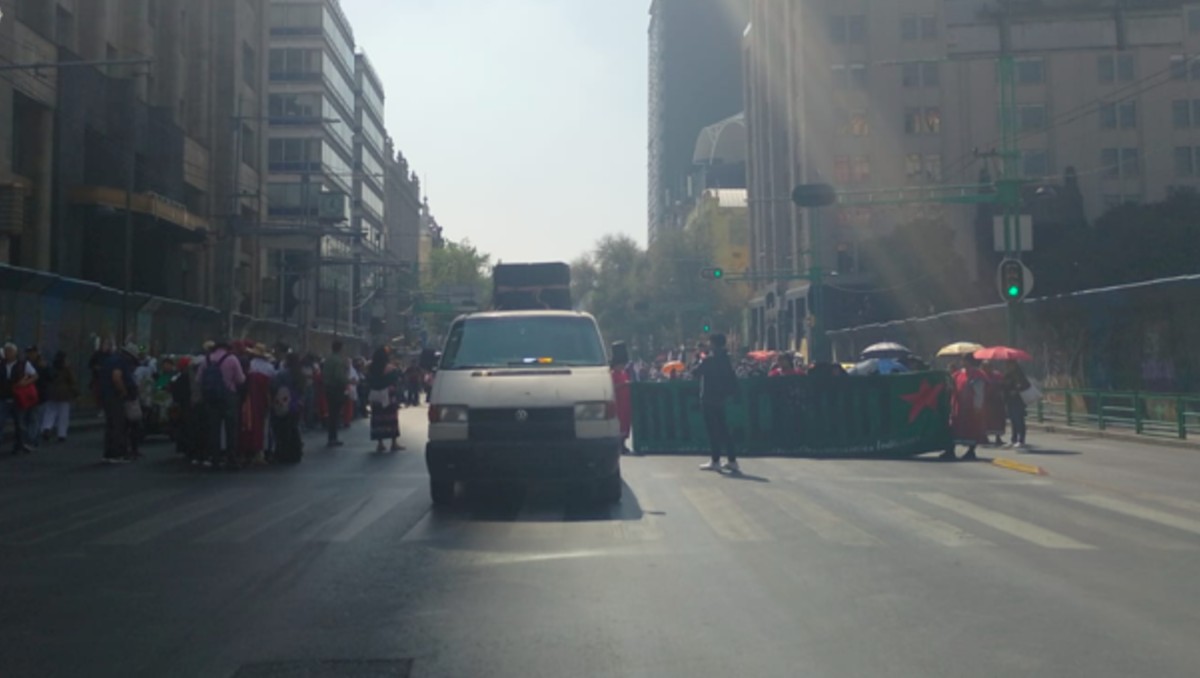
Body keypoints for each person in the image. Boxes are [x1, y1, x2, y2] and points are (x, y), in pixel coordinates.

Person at [693, 333, 740, 473]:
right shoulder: (726, 359)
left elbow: (695, 372)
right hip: (721, 397)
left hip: (708, 397)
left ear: (713, 343)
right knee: (724, 429)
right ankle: (732, 460)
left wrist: (700, 359)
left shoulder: (709, 359)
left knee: (712, 430)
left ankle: (715, 460)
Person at [201, 340, 246, 468]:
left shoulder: (207, 359)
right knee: (231, 428)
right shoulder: (232, 359)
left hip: (211, 397)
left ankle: (215, 457)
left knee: (214, 428)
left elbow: (199, 378)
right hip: (229, 396)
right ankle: (231, 457)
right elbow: (240, 379)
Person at [99, 342, 141, 463]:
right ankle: (117, 454)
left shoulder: (109, 360)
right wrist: (123, 391)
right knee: (119, 425)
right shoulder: (120, 362)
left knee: (111, 425)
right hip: (115, 396)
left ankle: (108, 453)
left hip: (106, 395)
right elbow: (116, 377)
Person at [943, 355, 988, 461]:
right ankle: (950, 450)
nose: (962, 362)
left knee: (972, 429)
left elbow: (979, 392)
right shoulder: (958, 374)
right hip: (958, 406)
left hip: (970, 408)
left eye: (964, 360)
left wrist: (978, 406)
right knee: (954, 427)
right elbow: (951, 386)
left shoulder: (977, 375)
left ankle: (971, 451)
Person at [0, 343, 37, 455]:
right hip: (3, 397)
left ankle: (20, 445)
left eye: (10, 351)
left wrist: (25, 383)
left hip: (18, 397)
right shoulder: (1, 364)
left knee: (19, 423)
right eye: (6, 351)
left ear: (15, 353)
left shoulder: (23, 364)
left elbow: (35, 376)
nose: (8, 354)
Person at [270, 354, 305, 464]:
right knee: (294, 430)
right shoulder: (300, 374)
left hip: (284, 403)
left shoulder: (282, 374)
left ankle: (283, 454)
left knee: (282, 431)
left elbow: (274, 386)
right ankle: (296, 453)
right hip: (296, 404)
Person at [366, 347, 402, 453]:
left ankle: (380, 443)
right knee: (391, 419)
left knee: (378, 419)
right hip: (388, 396)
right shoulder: (390, 368)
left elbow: (369, 381)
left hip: (375, 396)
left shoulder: (371, 368)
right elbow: (395, 381)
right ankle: (393, 443)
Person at [41, 351, 80, 443]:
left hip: (51, 392)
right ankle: (61, 434)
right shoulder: (67, 369)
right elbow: (72, 381)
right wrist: (76, 393)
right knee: (63, 415)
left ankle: (46, 427)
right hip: (64, 393)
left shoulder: (52, 367)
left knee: (50, 412)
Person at [322, 340, 350, 447]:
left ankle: (331, 437)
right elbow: (339, 377)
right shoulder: (338, 361)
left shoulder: (328, 359)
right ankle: (333, 438)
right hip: (336, 389)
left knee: (332, 414)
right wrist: (348, 381)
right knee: (335, 414)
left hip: (328, 388)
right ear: (340, 349)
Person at [24, 346, 51, 449]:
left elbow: (50, 377)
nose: (30, 355)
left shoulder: (43, 364)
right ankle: (32, 439)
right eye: (29, 352)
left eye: (32, 352)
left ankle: (30, 440)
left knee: (34, 419)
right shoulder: (24, 363)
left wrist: (46, 368)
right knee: (28, 419)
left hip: (39, 395)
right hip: (26, 395)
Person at [1002, 360, 1032, 449]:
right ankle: (1013, 439)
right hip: (1009, 400)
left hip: (1018, 400)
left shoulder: (1019, 375)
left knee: (1019, 420)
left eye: (1010, 364)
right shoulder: (1007, 375)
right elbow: (1005, 386)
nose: (1008, 366)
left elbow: (1026, 385)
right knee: (1013, 421)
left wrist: (1017, 390)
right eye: (1007, 364)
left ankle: (1021, 440)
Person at [610, 341, 633, 454]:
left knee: (625, 424)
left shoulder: (624, 373)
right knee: (619, 424)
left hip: (625, 402)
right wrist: (624, 384)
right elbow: (613, 387)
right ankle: (619, 445)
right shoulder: (612, 374)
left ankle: (623, 443)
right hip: (618, 403)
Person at [983, 363, 1007, 446]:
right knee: (985, 419)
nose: (987, 368)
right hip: (986, 401)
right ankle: (984, 437)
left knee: (998, 419)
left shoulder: (997, 375)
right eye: (985, 367)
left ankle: (998, 437)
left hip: (997, 401)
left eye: (989, 366)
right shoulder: (981, 375)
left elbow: (1003, 384)